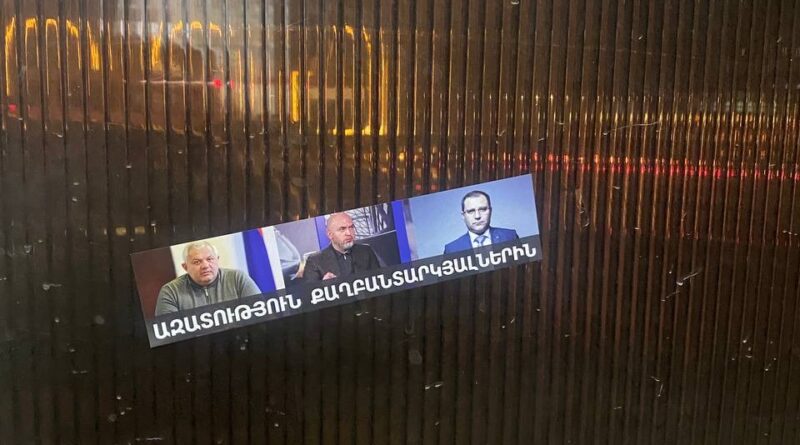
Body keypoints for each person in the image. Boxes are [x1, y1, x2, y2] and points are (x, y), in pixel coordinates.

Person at [155, 241, 261, 315]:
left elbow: (260, 313)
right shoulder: (170, 291)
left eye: (210, 259)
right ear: (185, 267)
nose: (205, 265)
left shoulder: (237, 278)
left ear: (217, 260)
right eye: (197, 262)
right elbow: (168, 333)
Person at [302, 212, 381, 282]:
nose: (349, 233)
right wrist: (323, 286)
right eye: (342, 229)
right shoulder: (315, 261)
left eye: (351, 227)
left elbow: (380, 280)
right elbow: (309, 292)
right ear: (330, 235)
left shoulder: (366, 251)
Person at [443, 190, 519, 254]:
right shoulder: (451, 250)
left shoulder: (511, 237)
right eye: (471, 211)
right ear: (463, 216)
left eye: (482, 209)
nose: (477, 216)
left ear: (490, 211)